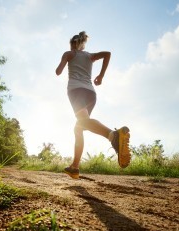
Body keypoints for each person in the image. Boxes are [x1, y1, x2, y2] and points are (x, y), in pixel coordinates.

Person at [56, 31, 130, 179]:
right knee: (79, 127)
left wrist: (65, 59)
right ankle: (75, 167)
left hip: (76, 91)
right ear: (82, 45)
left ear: (73, 45)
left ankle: (113, 136)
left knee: (82, 123)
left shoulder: (69, 54)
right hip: (91, 93)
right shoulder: (89, 56)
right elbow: (107, 54)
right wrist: (101, 75)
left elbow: (58, 71)